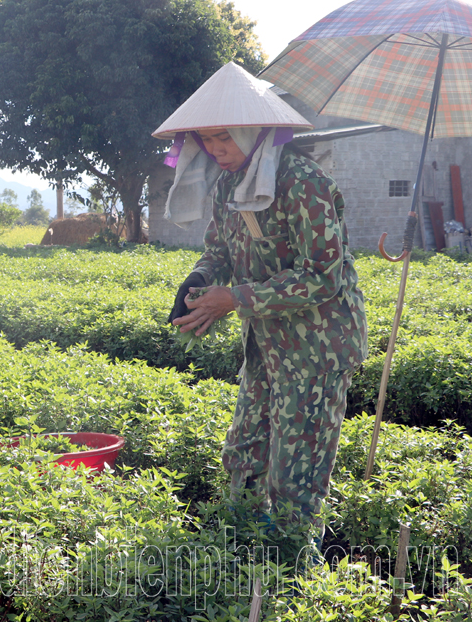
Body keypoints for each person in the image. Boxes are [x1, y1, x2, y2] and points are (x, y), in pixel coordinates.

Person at [152, 62, 368, 557]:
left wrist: (238, 298)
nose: (216, 149)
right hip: (267, 343)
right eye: (206, 140)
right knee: (244, 453)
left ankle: (292, 577)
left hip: (317, 347)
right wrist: (203, 280)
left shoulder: (302, 183)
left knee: (297, 473)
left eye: (224, 137)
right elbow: (220, 251)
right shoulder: (229, 186)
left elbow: (323, 276)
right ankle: (243, 555)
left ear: (253, 129)